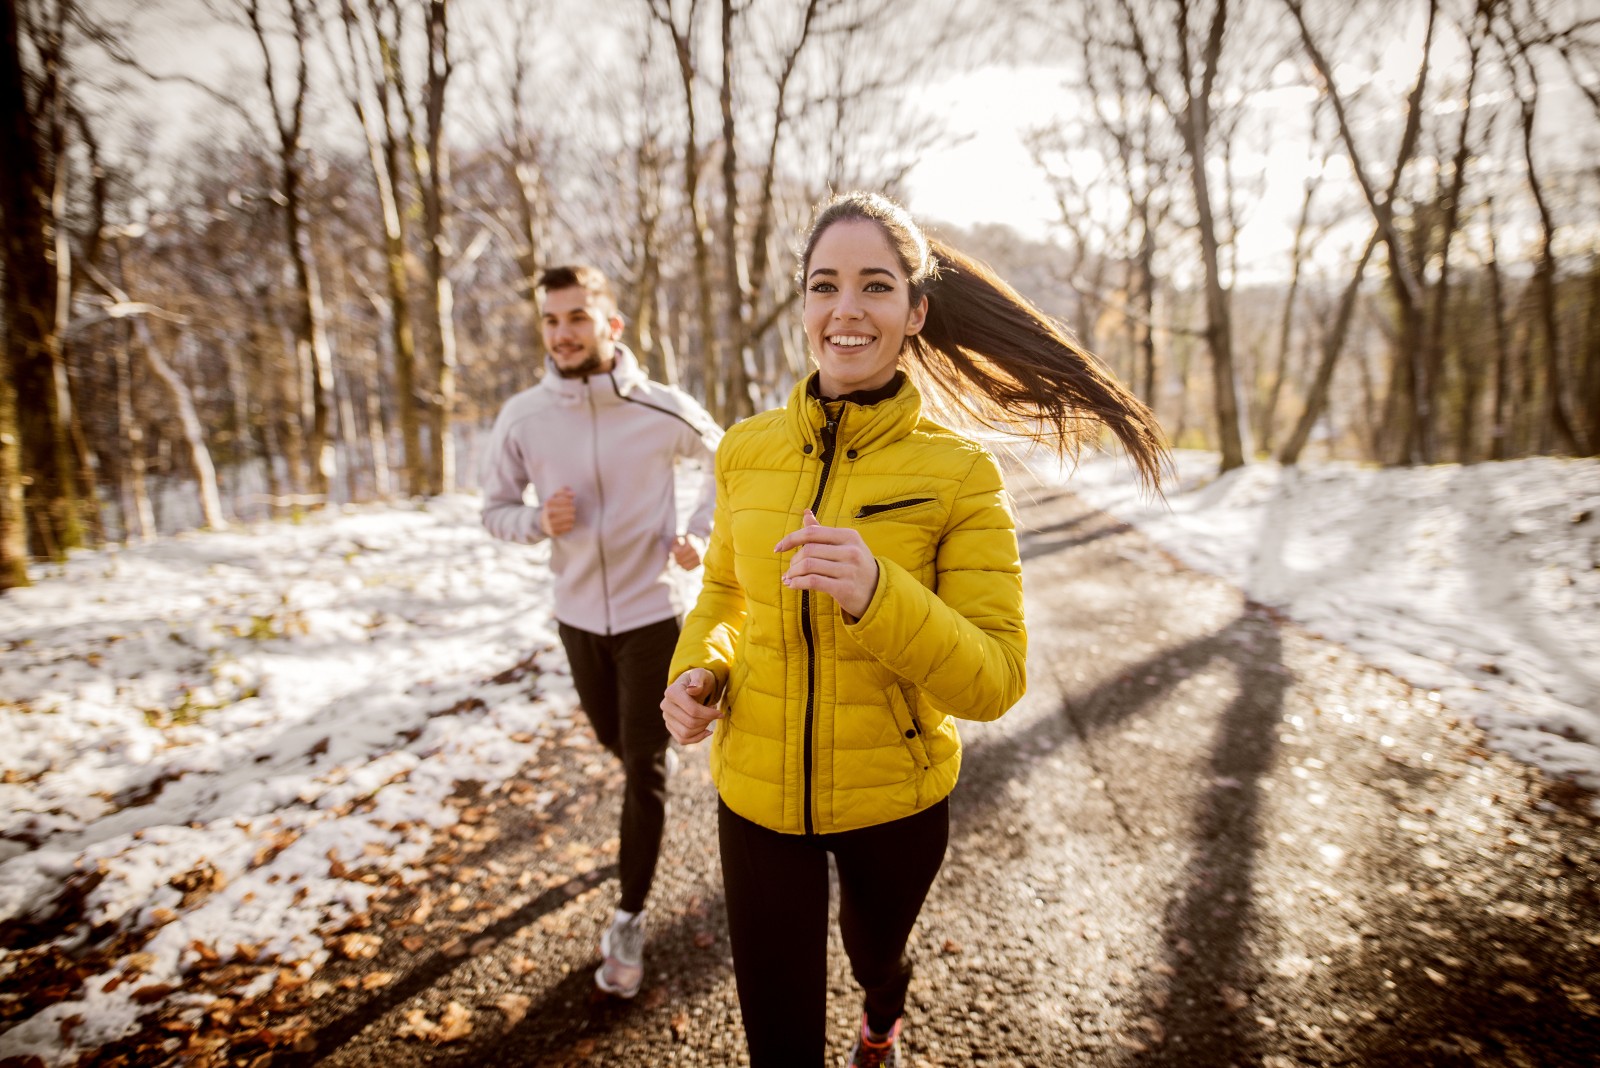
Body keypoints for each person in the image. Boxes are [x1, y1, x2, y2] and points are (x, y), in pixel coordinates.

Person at [660, 192, 1167, 1066]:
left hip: (894, 796)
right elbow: (724, 596)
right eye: (825, 285)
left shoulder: (961, 473)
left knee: (872, 952)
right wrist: (699, 672)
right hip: (755, 792)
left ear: (915, 311)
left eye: (875, 286)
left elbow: (995, 679)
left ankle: (883, 1007)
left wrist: (875, 592)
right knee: (778, 1039)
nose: (846, 308)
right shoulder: (744, 448)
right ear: (804, 303)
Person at [482, 264, 721, 999]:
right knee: (617, 747)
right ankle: (641, 778)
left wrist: (700, 536)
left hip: (654, 613)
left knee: (643, 770)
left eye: (577, 317)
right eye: (552, 320)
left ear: (610, 324)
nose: (563, 333)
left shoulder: (659, 408)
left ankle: (628, 916)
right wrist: (534, 522)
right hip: (578, 619)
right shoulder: (523, 417)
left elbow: (731, 461)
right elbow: (493, 508)